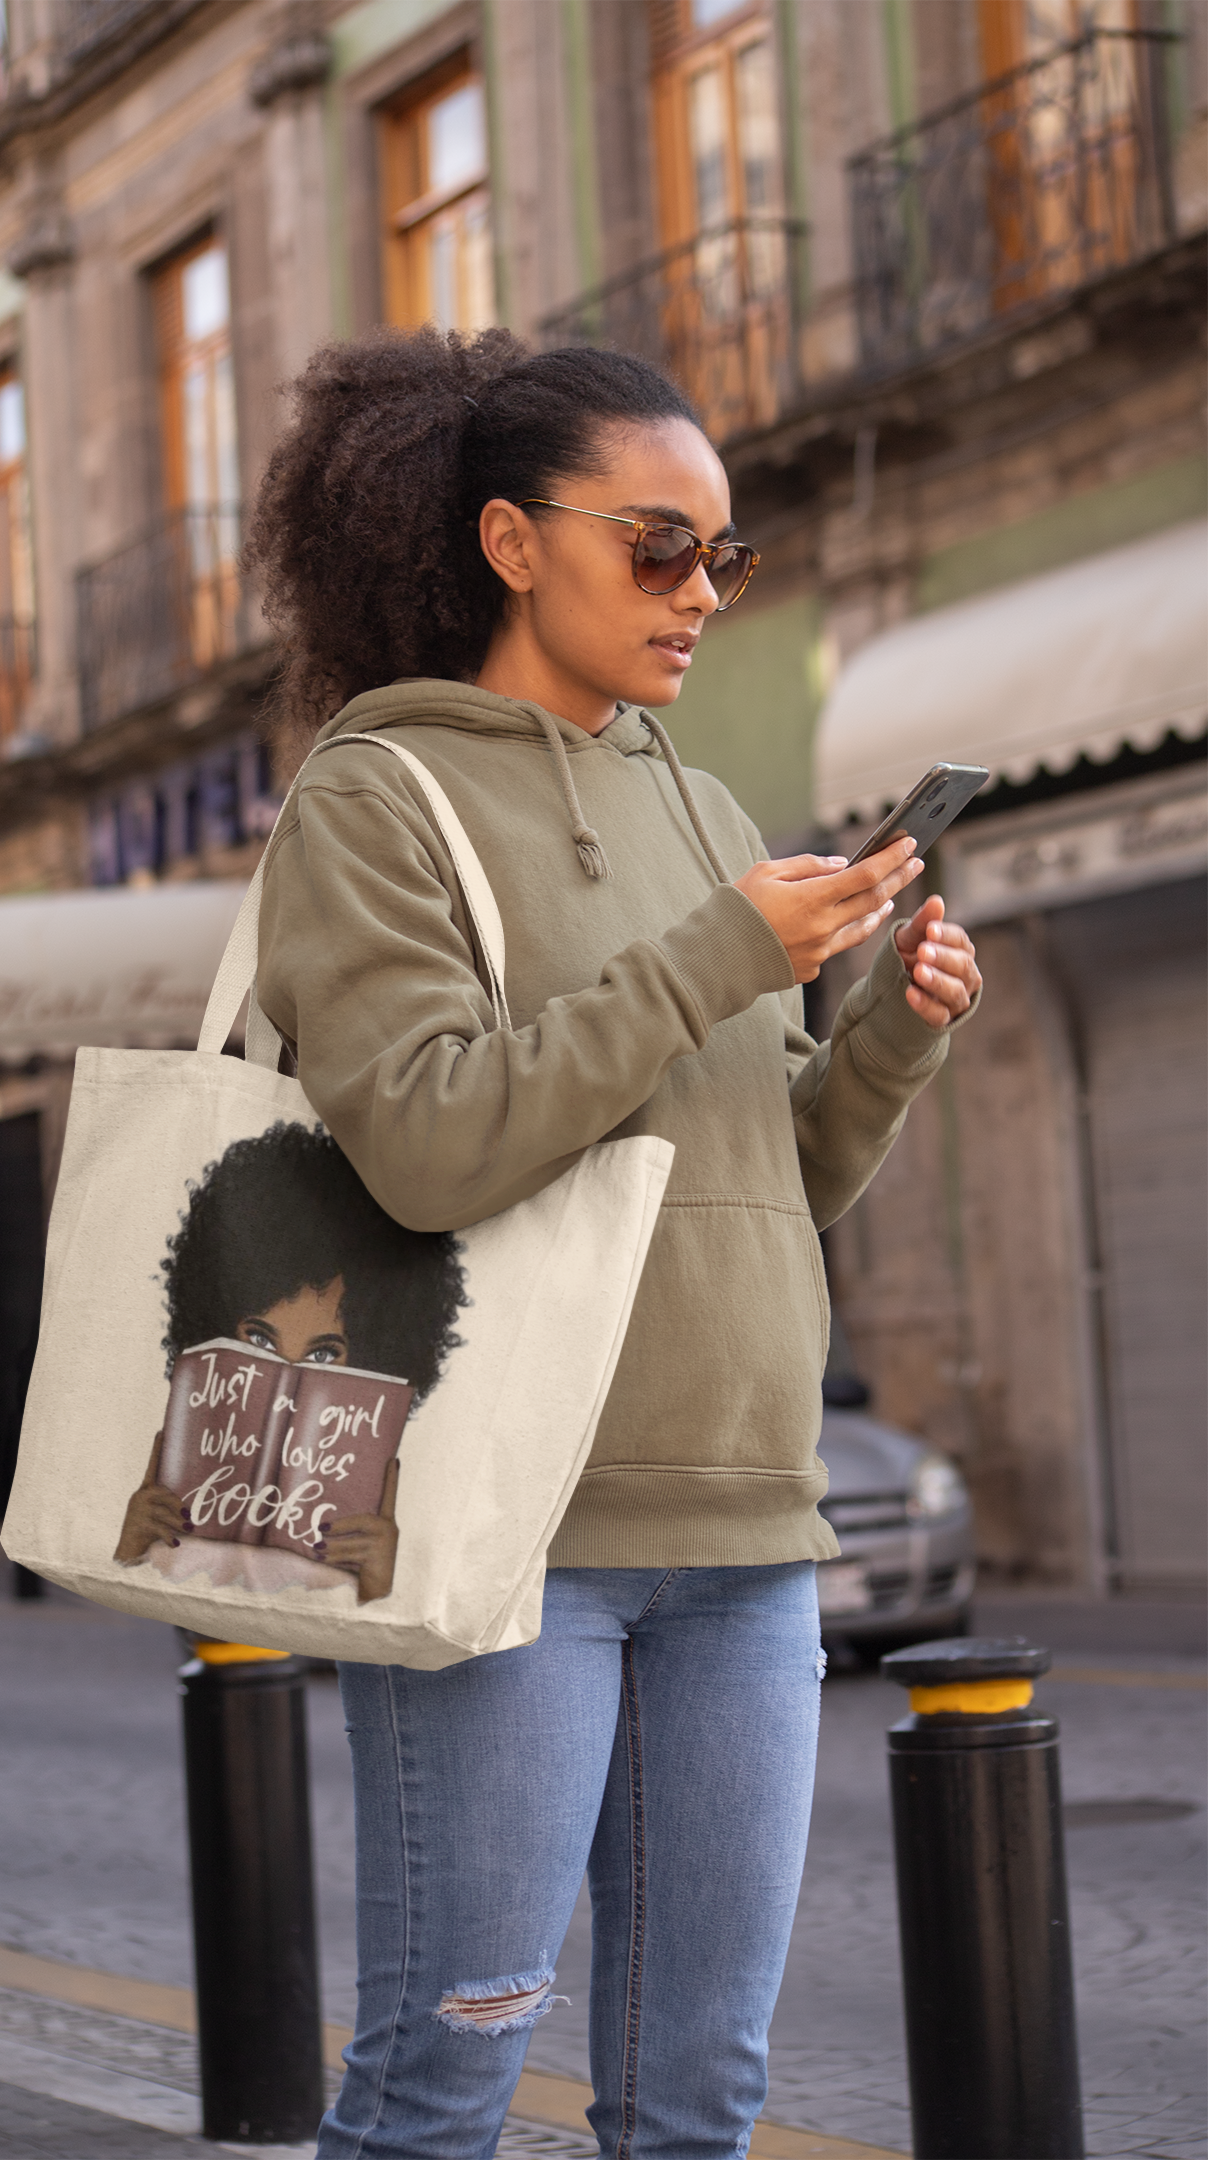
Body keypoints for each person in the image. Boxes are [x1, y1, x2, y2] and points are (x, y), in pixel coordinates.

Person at [245, 326, 982, 2159]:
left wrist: (884, 1038)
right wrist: (723, 954)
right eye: (658, 548)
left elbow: (770, 1183)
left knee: (697, 2100)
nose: (701, 595)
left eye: (723, 557)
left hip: (749, 1527)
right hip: (512, 1541)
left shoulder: (707, 812)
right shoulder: (376, 797)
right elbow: (425, 1141)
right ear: (511, 542)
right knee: (440, 2091)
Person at [113, 1122, 466, 1598]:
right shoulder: (165, 1492)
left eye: (323, 1353)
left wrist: (380, 1579)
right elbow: (122, 1580)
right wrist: (130, 1544)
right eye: (259, 1340)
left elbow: (388, 1626)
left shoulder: (381, 1502)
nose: (286, 1377)